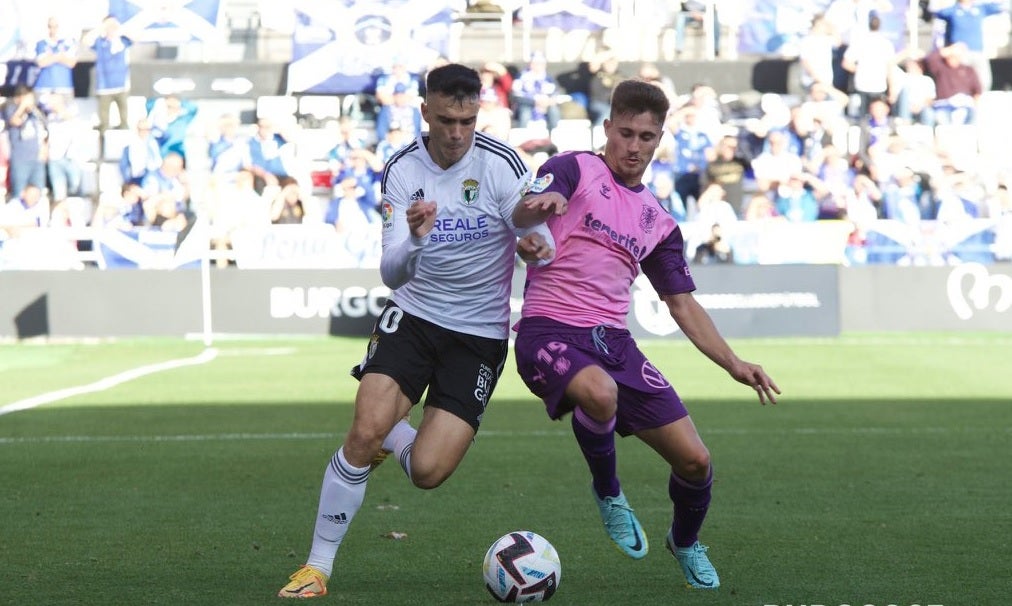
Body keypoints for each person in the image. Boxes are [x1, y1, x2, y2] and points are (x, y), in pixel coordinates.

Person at [277, 62, 565, 599]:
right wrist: (414, 238)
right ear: (425, 111)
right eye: (446, 120)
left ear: (478, 113)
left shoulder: (501, 163)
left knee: (428, 471)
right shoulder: (402, 168)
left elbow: (537, 234)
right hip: (413, 317)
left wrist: (535, 248)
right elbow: (391, 272)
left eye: (467, 121)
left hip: (478, 335)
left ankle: (395, 432)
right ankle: (317, 567)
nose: (457, 133)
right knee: (362, 432)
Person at [512, 79, 779, 592]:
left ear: (660, 140)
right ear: (607, 128)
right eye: (626, 133)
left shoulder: (658, 221)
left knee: (696, 461)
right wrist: (541, 205)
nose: (634, 147)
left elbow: (682, 303)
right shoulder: (573, 168)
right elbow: (526, 211)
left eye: (646, 137)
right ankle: (609, 492)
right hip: (548, 330)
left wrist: (734, 363)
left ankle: (685, 542)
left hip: (613, 344)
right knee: (599, 393)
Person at [83, 15, 133, 139]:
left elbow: (136, 37)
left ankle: (123, 135)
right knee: (104, 118)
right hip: (104, 84)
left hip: (121, 84)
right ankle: (103, 138)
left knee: (124, 116)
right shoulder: (100, 42)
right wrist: (102, 27)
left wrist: (119, 27)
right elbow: (86, 41)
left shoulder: (122, 40)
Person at [2, 84, 48, 200]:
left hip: (37, 159)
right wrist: (23, 106)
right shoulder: (10, 108)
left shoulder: (35, 112)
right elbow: (15, 121)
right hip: (20, 160)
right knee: (18, 194)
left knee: (38, 194)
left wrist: (44, 148)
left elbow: (44, 130)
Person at [33, 16, 78, 100]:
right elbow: (41, 63)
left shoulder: (69, 43)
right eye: (50, 26)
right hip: (44, 88)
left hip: (64, 87)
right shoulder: (42, 43)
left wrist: (51, 57)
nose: (53, 30)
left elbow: (71, 63)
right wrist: (59, 56)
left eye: (55, 26)